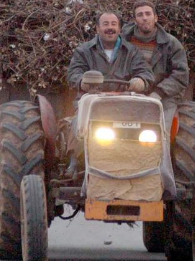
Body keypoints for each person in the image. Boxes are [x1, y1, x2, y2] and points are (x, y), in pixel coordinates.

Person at [65, 10, 154, 175]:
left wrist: (141, 81)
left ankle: (146, 163)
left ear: (120, 29)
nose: (110, 28)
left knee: (147, 128)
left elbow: (145, 72)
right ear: (98, 29)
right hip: (92, 101)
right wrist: (83, 82)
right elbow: (73, 73)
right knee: (79, 121)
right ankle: (74, 162)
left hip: (124, 102)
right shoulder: (84, 51)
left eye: (114, 24)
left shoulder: (131, 51)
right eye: (105, 24)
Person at [122, 0, 189, 130]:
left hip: (162, 95)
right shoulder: (122, 42)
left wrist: (158, 92)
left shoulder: (171, 44)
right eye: (140, 15)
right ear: (135, 20)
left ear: (156, 18)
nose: (144, 18)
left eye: (148, 14)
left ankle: (163, 146)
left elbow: (181, 74)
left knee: (160, 130)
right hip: (128, 92)